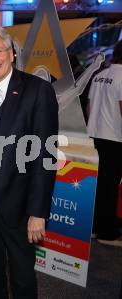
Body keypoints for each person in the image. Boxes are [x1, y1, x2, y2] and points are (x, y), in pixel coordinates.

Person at [0, 26, 58, 298]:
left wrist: (38, 212)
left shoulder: (37, 90)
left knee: (22, 278)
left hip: (20, 207)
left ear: (12, 54)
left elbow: (45, 155)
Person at [87, 40, 122, 247]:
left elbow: (89, 108)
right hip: (115, 138)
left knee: (98, 185)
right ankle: (107, 233)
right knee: (109, 187)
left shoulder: (100, 75)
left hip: (95, 136)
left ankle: (93, 227)